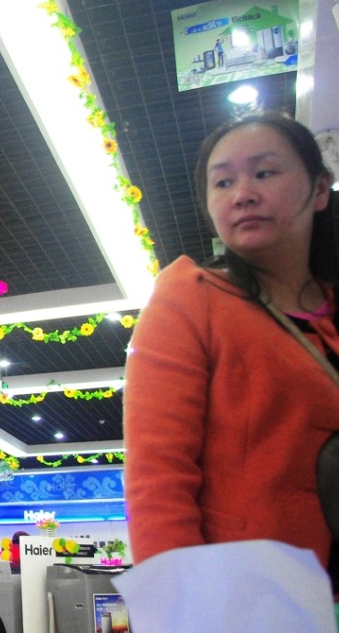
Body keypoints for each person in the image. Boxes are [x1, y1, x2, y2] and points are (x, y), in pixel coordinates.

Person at [124, 113, 339, 575]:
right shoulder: (191, 297)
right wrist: (185, 609)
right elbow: (158, 480)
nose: (243, 194)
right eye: (223, 183)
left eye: (265, 173)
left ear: (320, 189)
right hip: (255, 596)